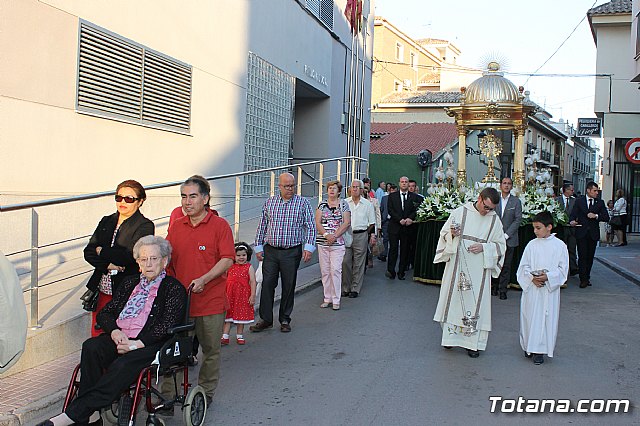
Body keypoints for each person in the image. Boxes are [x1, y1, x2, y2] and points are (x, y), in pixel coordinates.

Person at [37, 236, 187, 426]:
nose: (149, 264)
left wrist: (135, 345)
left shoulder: (174, 288)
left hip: (150, 344)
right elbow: (106, 313)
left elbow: (166, 325)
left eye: (154, 258)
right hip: (121, 337)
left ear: (164, 261)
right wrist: (115, 332)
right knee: (92, 347)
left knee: (123, 365)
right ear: (138, 263)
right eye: (143, 259)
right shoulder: (129, 283)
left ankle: (74, 415)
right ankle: (91, 415)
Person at [162, 176, 235, 406]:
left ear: (205, 198)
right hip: (180, 304)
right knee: (173, 350)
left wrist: (205, 278)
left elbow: (228, 259)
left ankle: (205, 392)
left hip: (210, 302)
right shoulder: (176, 227)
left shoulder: (219, 226)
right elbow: (166, 258)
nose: (187, 202)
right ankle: (168, 395)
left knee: (210, 351)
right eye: (184, 196)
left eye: (192, 196)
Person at [433, 188, 506, 358]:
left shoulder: (494, 220)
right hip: (457, 266)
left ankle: (472, 344)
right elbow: (444, 235)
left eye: (491, 209)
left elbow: (501, 246)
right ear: (480, 199)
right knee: (455, 301)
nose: (487, 211)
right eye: (486, 207)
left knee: (475, 304)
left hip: (479, 269)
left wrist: (484, 247)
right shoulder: (460, 213)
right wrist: (452, 234)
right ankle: (450, 339)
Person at [82, 180, 155, 337]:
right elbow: (88, 251)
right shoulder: (106, 221)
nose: (122, 202)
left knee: (120, 336)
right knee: (98, 334)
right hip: (101, 289)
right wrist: (108, 264)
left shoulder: (145, 226)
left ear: (140, 201)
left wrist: (101, 251)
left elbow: (129, 256)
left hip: (127, 291)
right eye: (119, 197)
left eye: (129, 199)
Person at [251, 172, 316, 333]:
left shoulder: (303, 203)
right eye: (286, 186)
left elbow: (311, 226)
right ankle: (265, 319)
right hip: (271, 251)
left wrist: (308, 247)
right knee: (267, 284)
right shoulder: (270, 203)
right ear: (279, 186)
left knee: (289, 285)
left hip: (291, 251)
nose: (290, 189)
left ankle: (285, 319)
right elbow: (262, 225)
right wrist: (258, 246)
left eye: (292, 186)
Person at [517, 211, 569, 366]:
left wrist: (548, 277)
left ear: (549, 227)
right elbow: (523, 267)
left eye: (538, 228)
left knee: (544, 319)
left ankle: (540, 350)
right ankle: (528, 347)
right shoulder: (531, 245)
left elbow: (563, 270)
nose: (535, 231)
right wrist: (531, 278)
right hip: (532, 289)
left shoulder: (560, 246)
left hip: (548, 290)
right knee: (529, 317)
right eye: (534, 228)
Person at [315, 180, 351, 310]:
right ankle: (327, 298)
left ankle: (336, 300)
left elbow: (346, 222)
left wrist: (334, 236)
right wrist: (326, 235)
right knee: (325, 271)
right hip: (323, 242)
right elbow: (317, 222)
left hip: (338, 243)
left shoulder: (344, 204)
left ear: (339, 191)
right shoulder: (322, 205)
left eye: (334, 188)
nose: (331, 190)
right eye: (329, 188)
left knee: (335, 270)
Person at [569, 181, 609, 288]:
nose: (597, 193)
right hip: (581, 233)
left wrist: (596, 216)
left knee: (590, 257)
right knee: (582, 256)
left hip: (593, 234)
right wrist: (572, 221)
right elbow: (573, 215)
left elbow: (606, 217)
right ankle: (583, 279)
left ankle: (587, 276)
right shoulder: (579, 201)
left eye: (597, 191)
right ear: (588, 190)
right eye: (595, 190)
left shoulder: (600, 202)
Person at [341, 179, 376, 298]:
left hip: (361, 234)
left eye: (357, 187)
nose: (354, 189)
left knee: (358, 262)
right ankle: (346, 287)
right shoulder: (345, 202)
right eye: (353, 187)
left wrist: (367, 233)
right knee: (345, 261)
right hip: (346, 234)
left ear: (361, 190)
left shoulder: (367, 204)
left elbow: (372, 222)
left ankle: (355, 288)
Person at [491, 177, 522, 300]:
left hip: (510, 239)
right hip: (494, 238)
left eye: (509, 183)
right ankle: (494, 287)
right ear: (500, 185)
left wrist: (506, 235)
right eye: (504, 183)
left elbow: (518, 219)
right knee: (494, 263)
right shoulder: (495, 200)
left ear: (512, 186)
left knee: (506, 265)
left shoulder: (516, 202)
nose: (506, 185)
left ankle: (503, 289)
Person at [221, 243, 257, 345]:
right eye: (238, 255)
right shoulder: (230, 266)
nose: (241, 257)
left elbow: (253, 281)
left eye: (243, 255)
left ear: (247, 255)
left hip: (242, 295)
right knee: (228, 315)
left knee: (240, 315)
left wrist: (252, 295)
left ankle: (239, 335)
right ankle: (225, 335)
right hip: (230, 294)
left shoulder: (249, 267)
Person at [386, 176, 420, 280]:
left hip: (407, 227)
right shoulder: (392, 196)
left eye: (406, 182)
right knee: (393, 249)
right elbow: (390, 210)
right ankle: (391, 271)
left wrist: (410, 218)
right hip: (395, 226)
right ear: (399, 183)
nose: (404, 184)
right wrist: (399, 219)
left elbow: (417, 209)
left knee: (405, 250)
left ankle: (401, 272)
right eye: (402, 182)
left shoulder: (414, 197)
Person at [555, 183, 578, 276]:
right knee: (560, 249)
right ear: (566, 190)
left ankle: (573, 268)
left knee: (572, 248)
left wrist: (575, 221)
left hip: (572, 229)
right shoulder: (557, 200)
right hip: (561, 228)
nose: (573, 192)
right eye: (571, 190)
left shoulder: (575, 201)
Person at [378, 184, 397, 262]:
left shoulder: (397, 199)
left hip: (395, 221)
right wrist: (381, 220)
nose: (392, 192)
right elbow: (381, 209)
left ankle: (392, 254)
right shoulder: (384, 198)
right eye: (391, 190)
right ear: (389, 191)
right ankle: (384, 253)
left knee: (393, 239)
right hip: (386, 221)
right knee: (385, 238)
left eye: (394, 191)